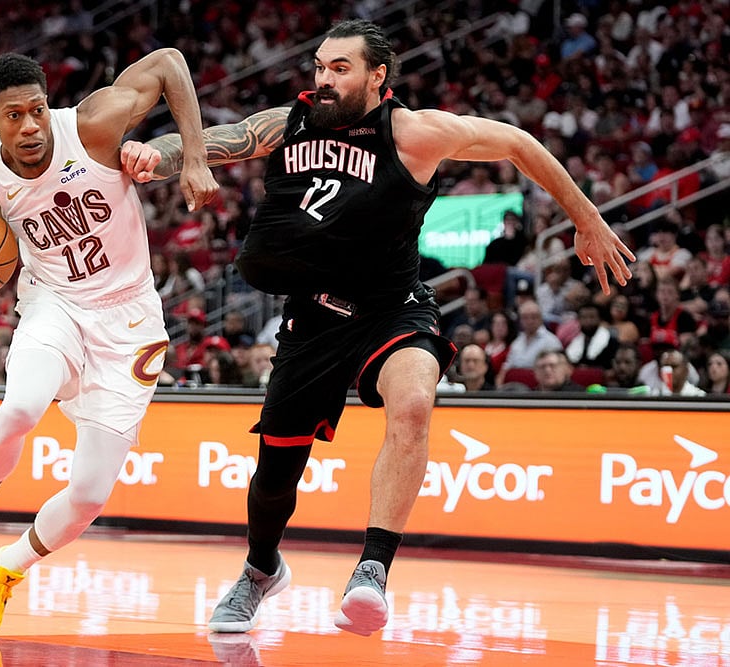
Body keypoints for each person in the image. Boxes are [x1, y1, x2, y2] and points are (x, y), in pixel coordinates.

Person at [121, 18, 633, 636]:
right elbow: (226, 137)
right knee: (275, 473)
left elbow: (519, 142)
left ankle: (373, 570)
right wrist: (163, 153)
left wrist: (586, 219)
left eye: (340, 68)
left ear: (376, 75)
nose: (325, 79)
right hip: (313, 315)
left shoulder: (415, 132)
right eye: (319, 67)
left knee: (414, 402)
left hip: (393, 306)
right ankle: (260, 570)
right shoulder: (291, 122)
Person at [0, 50, 217, 641]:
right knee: (20, 407)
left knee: (90, 495)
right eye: (14, 115)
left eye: (38, 110)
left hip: (129, 323)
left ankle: (5, 570)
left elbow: (171, 62)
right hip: (56, 305)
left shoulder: (93, 125)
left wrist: (188, 157)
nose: (31, 126)